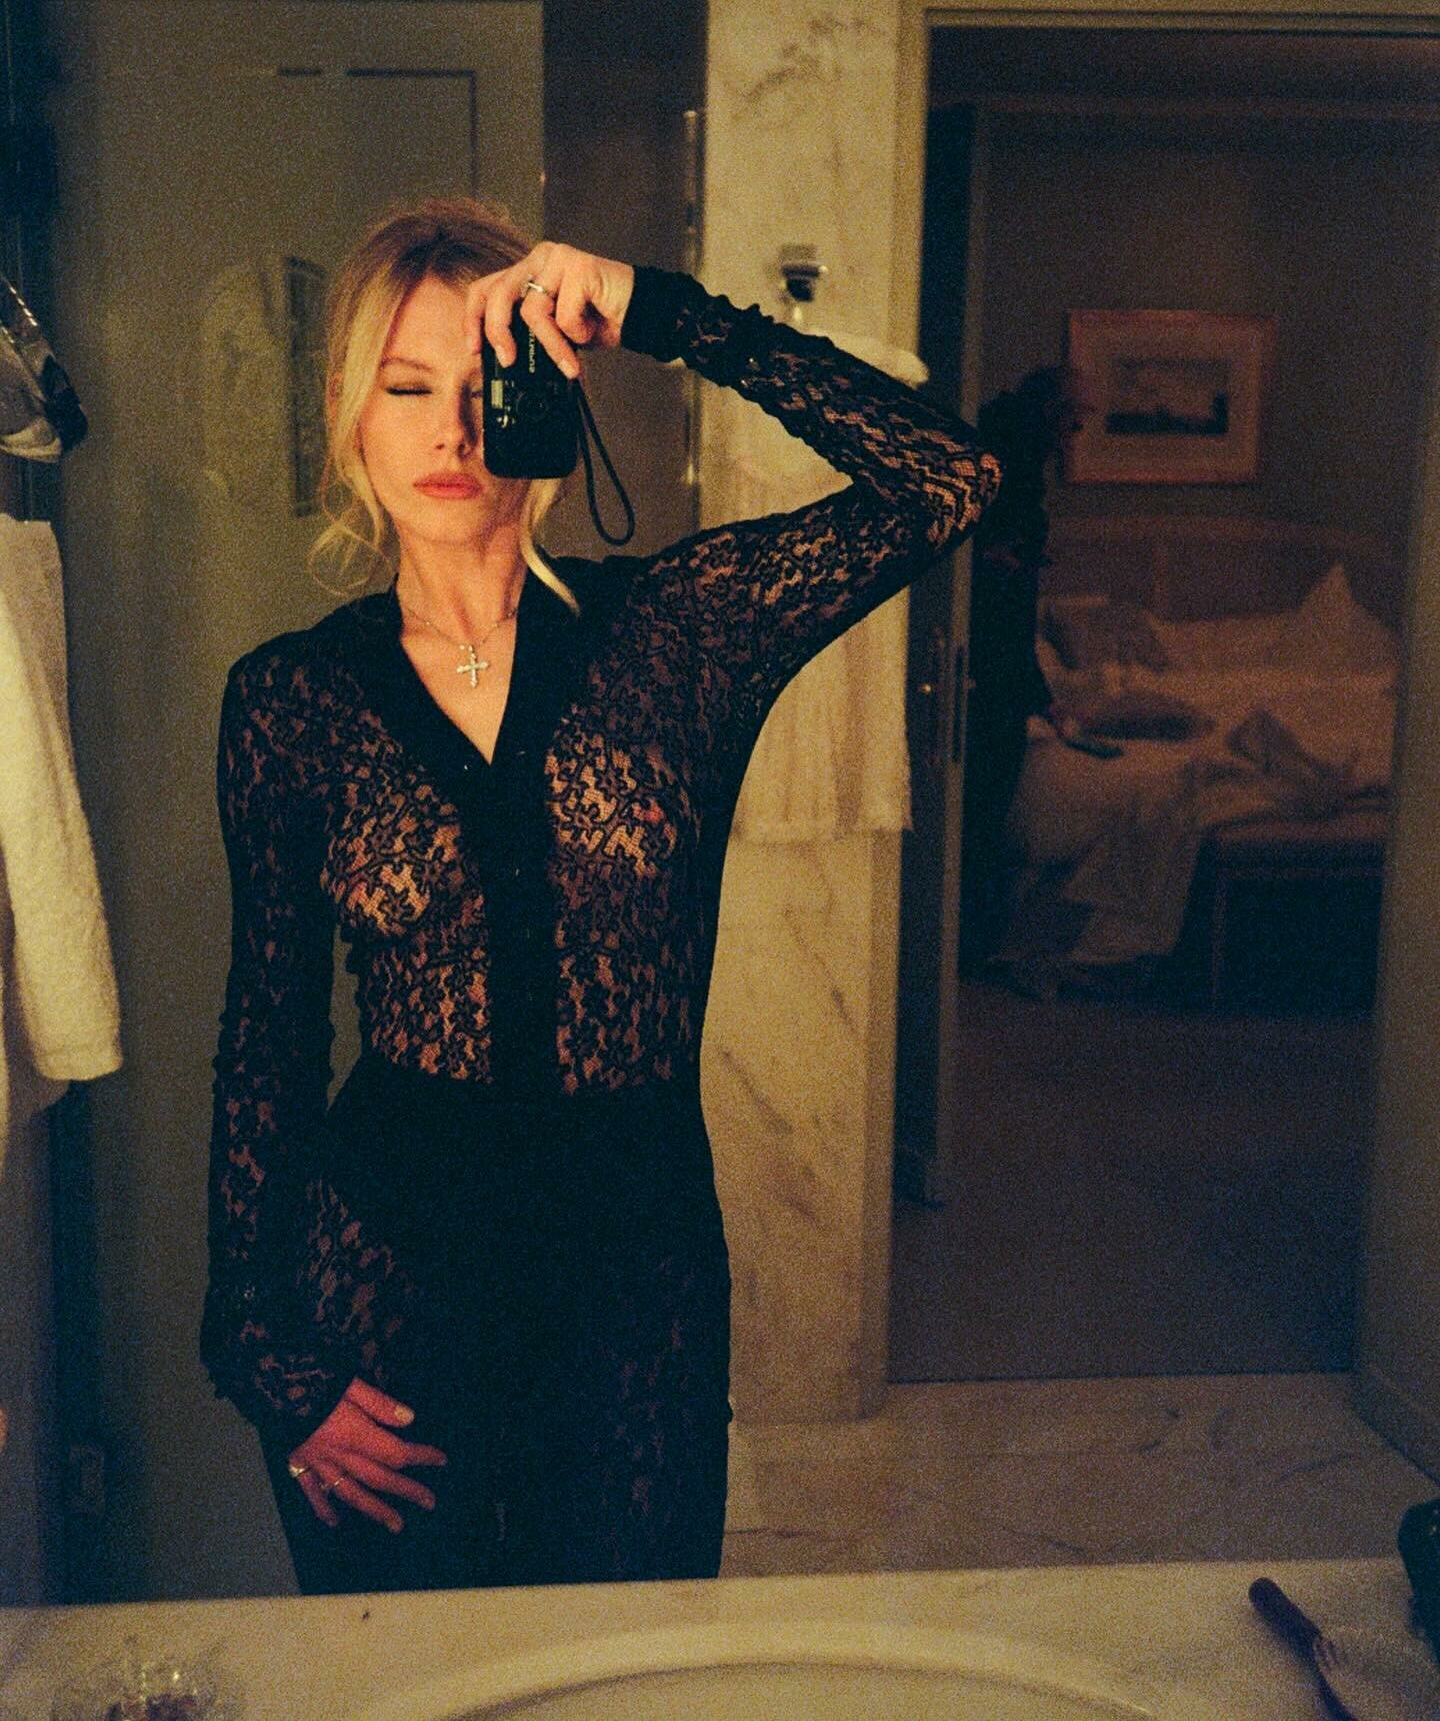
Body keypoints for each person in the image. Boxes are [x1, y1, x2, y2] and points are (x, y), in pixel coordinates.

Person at [202, 195, 1001, 1595]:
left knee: (629, 1663)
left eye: (488, 385)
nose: (451, 433)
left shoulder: (675, 636)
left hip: (637, 1287)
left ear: (552, 405)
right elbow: (267, 1041)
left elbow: (949, 480)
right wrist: (265, 1356)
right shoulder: (292, 699)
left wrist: (656, 309)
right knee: (410, 1676)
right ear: (348, 415)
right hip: (381, 1285)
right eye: (407, 388)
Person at [960, 367, 1088, 970]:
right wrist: (994, 560)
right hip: (990, 668)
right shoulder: (1009, 461)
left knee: (980, 815)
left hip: (1000, 664)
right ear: (1052, 415)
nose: (1075, 435)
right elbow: (1007, 616)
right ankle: (971, 945)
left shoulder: (1003, 450)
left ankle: (972, 940)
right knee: (981, 815)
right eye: (1073, 422)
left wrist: (1043, 696)